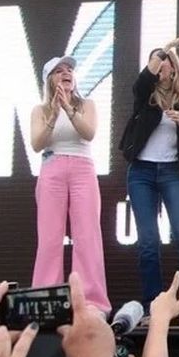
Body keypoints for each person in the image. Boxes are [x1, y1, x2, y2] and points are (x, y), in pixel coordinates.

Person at [119, 37, 179, 324]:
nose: (162, 65)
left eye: (167, 61)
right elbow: (141, 81)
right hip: (142, 174)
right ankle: (152, 309)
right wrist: (168, 45)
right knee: (148, 241)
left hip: (174, 173)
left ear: (175, 68)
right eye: (157, 60)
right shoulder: (144, 95)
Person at [29, 56, 110, 313]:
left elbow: (89, 133)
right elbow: (37, 143)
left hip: (82, 167)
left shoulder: (86, 104)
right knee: (50, 238)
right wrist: (54, 114)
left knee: (87, 235)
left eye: (70, 70)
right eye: (59, 70)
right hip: (52, 168)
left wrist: (68, 108)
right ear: (49, 79)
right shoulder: (40, 110)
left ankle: (91, 301)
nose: (67, 73)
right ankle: (45, 300)